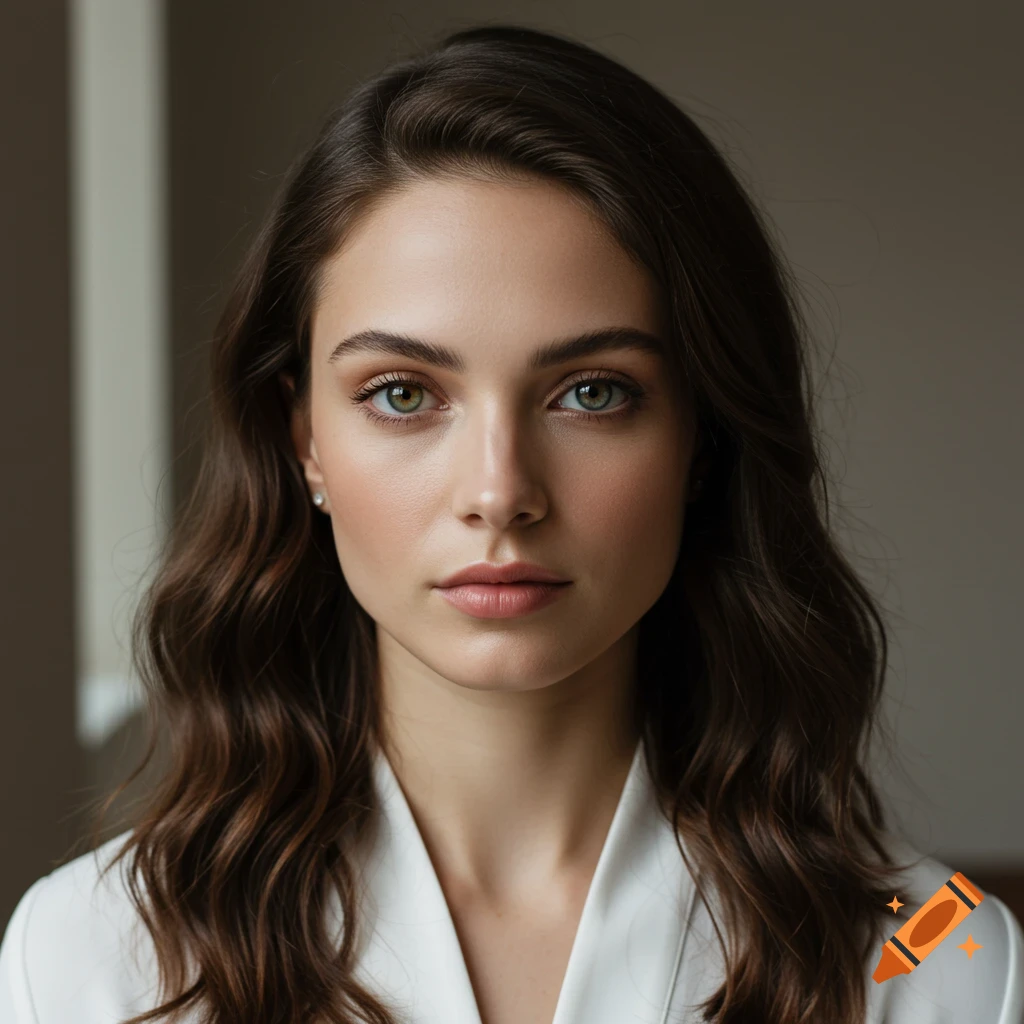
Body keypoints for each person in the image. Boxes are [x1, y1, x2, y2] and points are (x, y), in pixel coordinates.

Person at [0, 22, 1021, 1024]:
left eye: (591, 393)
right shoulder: (94, 956)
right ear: (302, 438)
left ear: (703, 438)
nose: (499, 491)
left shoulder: (933, 943)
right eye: (403, 393)